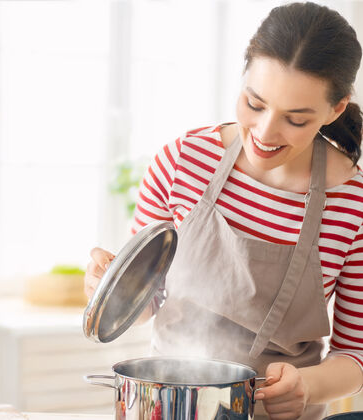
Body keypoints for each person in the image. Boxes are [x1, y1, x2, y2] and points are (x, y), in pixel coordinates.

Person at [84, 3, 363, 420]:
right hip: (172, 406)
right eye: (254, 103)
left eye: (296, 119)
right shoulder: (183, 161)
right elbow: (146, 304)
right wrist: (113, 289)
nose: (266, 133)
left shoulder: (353, 203)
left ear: (335, 110)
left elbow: (355, 354)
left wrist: (307, 386)